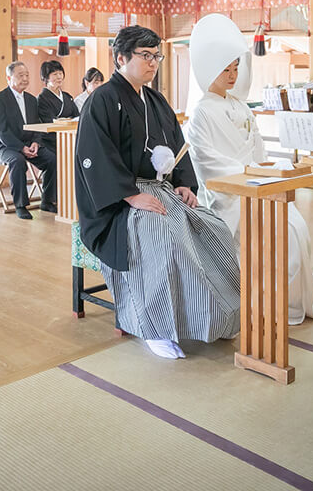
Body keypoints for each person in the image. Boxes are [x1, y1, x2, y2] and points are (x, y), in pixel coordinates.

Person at [75, 26, 239, 360]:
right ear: (121, 58)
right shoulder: (102, 100)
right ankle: (153, 326)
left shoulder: (155, 99)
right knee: (160, 235)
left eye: (156, 56)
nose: (153, 63)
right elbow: (93, 156)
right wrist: (130, 195)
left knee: (212, 228)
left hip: (161, 190)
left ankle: (218, 317)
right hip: (118, 203)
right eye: (145, 55)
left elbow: (177, 148)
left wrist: (184, 183)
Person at [185, 13, 313, 326]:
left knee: (294, 226)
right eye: (226, 69)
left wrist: (266, 168)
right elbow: (206, 162)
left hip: (259, 186)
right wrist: (247, 170)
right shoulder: (202, 113)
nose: (233, 76)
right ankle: (261, 299)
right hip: (231, 196)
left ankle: (282, 299)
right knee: (281, 231)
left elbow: (258, 149)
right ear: (210, 70)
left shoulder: (240, 106)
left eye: (236, 68)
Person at [0, 61, 57, 220]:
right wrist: (21, 148)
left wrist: (36, 143)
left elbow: (36, 126)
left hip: (29, 144)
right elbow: (1, 131)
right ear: (9, 77)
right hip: (4, 146)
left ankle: (47, 201)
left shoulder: (32, 100)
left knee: (52, 159)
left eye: (27, 75)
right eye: (21, 75)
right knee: (17, 160)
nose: (25, 78)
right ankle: (20, 205)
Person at [36, 59, 79, 152]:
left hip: (70, 136)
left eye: (60, 73)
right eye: (55, 74)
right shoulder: (42, 99)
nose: (59, 77)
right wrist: (68, 121)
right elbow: (50, 121)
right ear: (46, 78)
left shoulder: (67, 96)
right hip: (52, 140)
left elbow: (77, 115)